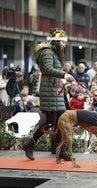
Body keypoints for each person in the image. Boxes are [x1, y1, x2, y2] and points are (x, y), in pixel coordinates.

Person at [22, 28, 75, 161]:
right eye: (62, 42)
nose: (64, 45)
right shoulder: (47, 52)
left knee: (59, 121)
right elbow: (47, 69)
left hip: (55, 90)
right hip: (49, 91)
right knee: (51, 121)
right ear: (56, 41)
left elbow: (52, 71)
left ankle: (60, 150)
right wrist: (64, 74)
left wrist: (64, 79)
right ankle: (30, 144)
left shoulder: (53, 52)